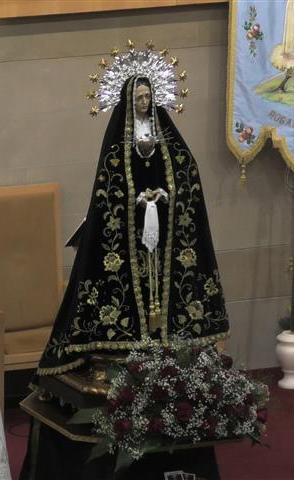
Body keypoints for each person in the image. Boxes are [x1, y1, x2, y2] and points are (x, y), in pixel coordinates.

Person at [34, 74, 230, 377]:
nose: (144, 102)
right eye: (138, 97)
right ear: (128, 100)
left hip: (162, 233)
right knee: (119, 285)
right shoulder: (117, 144)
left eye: (147, 96)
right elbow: (108, 187)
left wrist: (166, 193)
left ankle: (171, 346)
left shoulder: (165, 135)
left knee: (168, 284)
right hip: (126, 235)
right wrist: (134, 199)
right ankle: (117, 352)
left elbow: (186, 171)